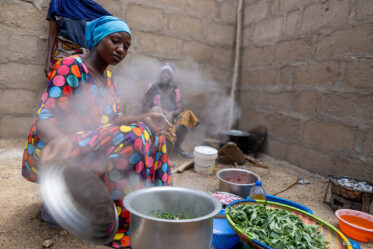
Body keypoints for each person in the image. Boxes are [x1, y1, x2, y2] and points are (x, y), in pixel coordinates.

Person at [22, 16, 173, 248]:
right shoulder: (71, 66)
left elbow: (113, 121)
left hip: (87, 143)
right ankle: (118, 224)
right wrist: (61, 141)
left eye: (126, 46)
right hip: (54, 146)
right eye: (115, 41)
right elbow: (44, 120)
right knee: (133, 137)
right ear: (97, 39)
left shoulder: (108, 79)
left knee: (153, 132)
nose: (121, 49)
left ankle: (150, 210)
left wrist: (145, 118)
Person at [143, 63, 199, 158]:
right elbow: (145, 107)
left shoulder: (175, 89)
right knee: (156, 109)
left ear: (171, 77)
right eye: (164, 73)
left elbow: (179, 108)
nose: (166, 75)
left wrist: (171, 113)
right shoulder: (152, 87)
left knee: (188, 116)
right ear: (160, 74)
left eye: (169, 74)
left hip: (170, 118)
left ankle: (177, 147)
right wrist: (156, 114)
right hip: (155, 119)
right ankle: (157, 148)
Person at [45, 0, 112, 78]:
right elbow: (53, 34)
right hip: (63, 55)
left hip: (86, 58)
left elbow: (110, 25)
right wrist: (48, 61)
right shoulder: (57, 3)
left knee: (83, 89)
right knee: (61, 85)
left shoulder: (91, 7)